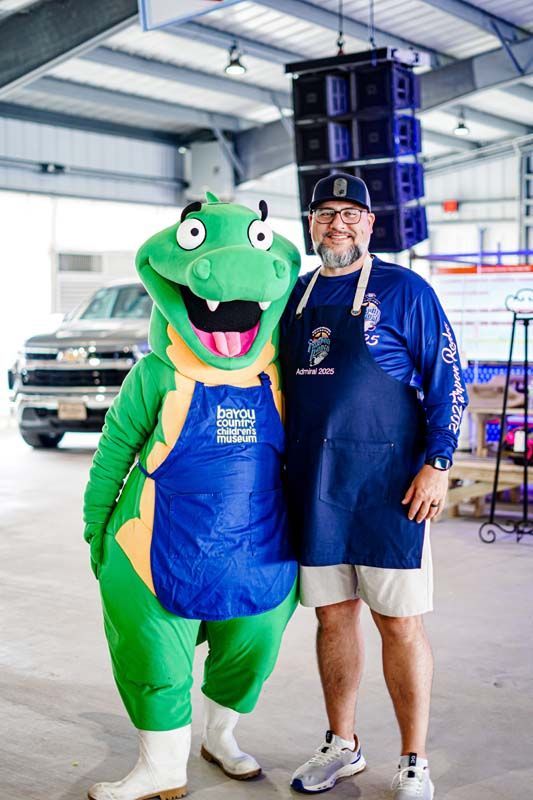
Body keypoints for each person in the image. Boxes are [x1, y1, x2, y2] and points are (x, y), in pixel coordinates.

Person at [280, 173, 468, 800]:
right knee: (333, 619)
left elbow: (450, 381)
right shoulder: (293, 296)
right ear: (310, 223)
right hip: (315, 486)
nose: (339, 224)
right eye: (326, 213)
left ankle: (414, 759)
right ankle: (343, 745)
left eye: (352, 213)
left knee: (400, 623)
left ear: (371, 223)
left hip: (393, 489)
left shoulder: (406, 291)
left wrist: (437, 464)